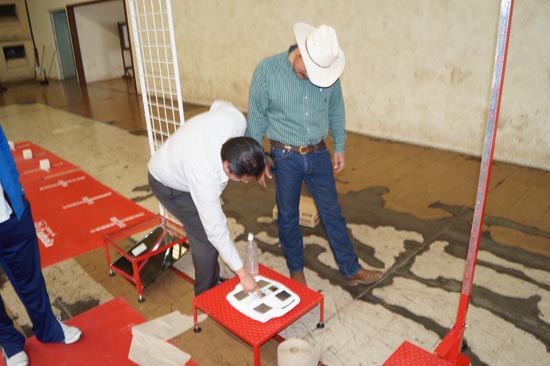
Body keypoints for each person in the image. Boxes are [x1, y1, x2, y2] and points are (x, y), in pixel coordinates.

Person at [246, 23, 382, 287]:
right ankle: (296, 269)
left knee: (332, 213)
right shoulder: (267, 71)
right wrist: (256, 159)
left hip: (319, 154)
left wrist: (339, 145)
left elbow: (336, 109)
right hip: (284, 156)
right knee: (288, 215)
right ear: (299, 52)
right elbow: (256, 116)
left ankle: (350, 269)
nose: (312, 77)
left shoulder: (327, 75)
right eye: (308, 71)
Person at [148, 100, 266, 296]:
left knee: (209, 234)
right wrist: (243, 274)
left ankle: (213, 280)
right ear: (227, 166)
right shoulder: (205, 174)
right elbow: (216, 230)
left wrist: (257, 165)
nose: (246, 183)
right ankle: (205, 294)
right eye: (242, 179)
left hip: (184, 162)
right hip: (166, 183)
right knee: (205, 240)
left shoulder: (236, 120)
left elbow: (218, 104)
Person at [0, 125, 82, 366]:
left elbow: (2, 144)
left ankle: (48, 328)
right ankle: (8, 341)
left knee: (29, 277)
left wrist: (14, 185)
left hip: (11, 212)